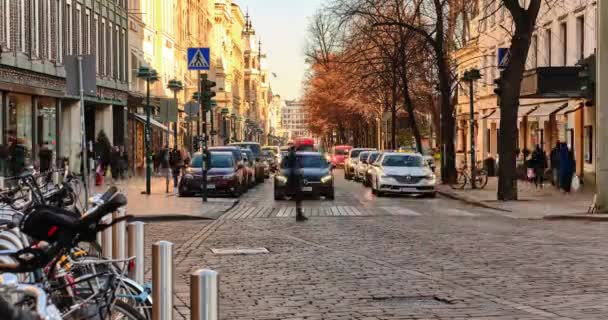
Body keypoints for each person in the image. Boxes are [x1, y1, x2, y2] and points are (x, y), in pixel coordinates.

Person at [286, 145, 306, 222]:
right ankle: (299, 215)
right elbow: (294, 172)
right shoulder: (293, 158)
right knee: (298, 199)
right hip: (296, 182)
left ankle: (299, 214)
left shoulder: (293, 158)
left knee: (299, 199)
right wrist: (299, 172)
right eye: (295, 150)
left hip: (296, 181)